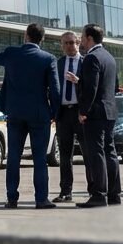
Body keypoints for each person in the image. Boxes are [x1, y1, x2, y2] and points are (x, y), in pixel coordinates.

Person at [0, 24, 61, 209]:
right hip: (39, 114)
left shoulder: (12, 53)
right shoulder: (48, 59)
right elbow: (56, 90)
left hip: (15, 113)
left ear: (26, 36)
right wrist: (54, 113)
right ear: (41, 39)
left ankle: (12, 198)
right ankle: (41, 199)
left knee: (13, 158)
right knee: (40, 159)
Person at [75, 24, 121, 208]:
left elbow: (91, 88)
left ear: (89, 38)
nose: (81, 41)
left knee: (96, 154)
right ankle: (114, 194)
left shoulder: (91, 58)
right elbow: (115, 87)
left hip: (95, 113)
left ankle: (99, 195)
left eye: (82, 37)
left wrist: (83, 111)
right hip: (109, 112)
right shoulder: (109, 58)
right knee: (110, 152)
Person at [53, 32, 83, 203]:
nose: (70, 46)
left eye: (73, 42)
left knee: (88, 152)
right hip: (63, 113)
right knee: (65, 155)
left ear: (79, 43)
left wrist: (79, 81)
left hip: (81, 112)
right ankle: (66, 191)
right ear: (61, 45)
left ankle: (94, 190)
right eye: (66, 43)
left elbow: (93, 87)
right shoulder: (58, 64)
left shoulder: (86, 62)